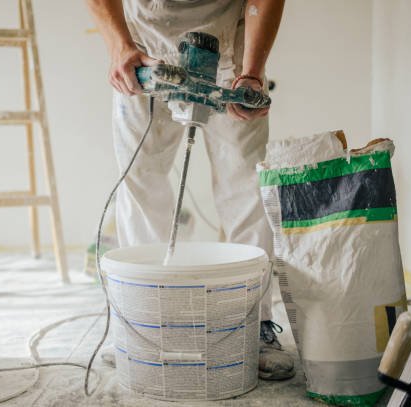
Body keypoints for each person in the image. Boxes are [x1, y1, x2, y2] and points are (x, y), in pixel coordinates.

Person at [86, 0, 294, 380]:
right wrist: (118, 46)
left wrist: (252, 72)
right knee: (140, 184)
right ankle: (143, 322)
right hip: (143, 49)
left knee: (247, 187)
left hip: (230, 51)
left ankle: (254, 325)